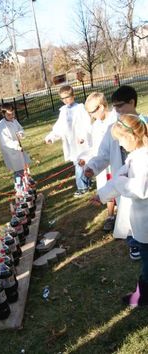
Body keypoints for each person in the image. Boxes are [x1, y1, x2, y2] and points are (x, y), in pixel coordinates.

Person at [84, 85, 148, 260]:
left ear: (132, 102)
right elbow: (104, 153)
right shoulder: (115, 128)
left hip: (139, 183)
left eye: (120, 105)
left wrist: (119, 182)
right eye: (115, 106)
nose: (117, 110)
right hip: (125, 183)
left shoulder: (145, 124)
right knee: (127, 214)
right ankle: (134, 244)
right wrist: (93, 167)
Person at [91, 114, 148, 307]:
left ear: (132, 137)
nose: (121, 145)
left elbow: (139, 188)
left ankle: (143, 295)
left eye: (121, 140)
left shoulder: (145, 159)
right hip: (142, 221)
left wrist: (121, 181)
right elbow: (118, 181)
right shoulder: (134, 156)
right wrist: (102, 195)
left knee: (147, 262)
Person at [78, 92, 117, 231]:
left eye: (92, 112)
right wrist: (88, 162)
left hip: (117, 163)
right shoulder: (96, 126)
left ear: (101, 107)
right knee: (107, 188)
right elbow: (96, 149)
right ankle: (111, 216)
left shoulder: (116, 119)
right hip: (103, 165)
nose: (91, 116)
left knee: (120, 189)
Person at [44, 85, 91, 197]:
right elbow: (59, 127)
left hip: (81, 142)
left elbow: (87, 123)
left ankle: (82, 187)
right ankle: (86, 183)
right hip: (71, 143)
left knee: (80, 163)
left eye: (67, 97)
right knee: (80, 164)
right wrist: (51, 137)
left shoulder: (80, 108)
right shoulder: (63, 111)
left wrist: (83, 136)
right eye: (63, 98)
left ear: (73, 96)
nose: (65, 100)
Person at [0, 103, 31, 183]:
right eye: (9, 115)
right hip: (11, 151)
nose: (11, 116)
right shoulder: (0, 126)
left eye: (13, 114)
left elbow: (20, 128)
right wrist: (16, 145)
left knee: (24, 167)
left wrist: (21, 133)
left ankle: (26, 184)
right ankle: (19, 186)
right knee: (18, 170)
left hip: (19, 149)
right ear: (3, 114)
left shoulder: (14, 121)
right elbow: (5, 142)